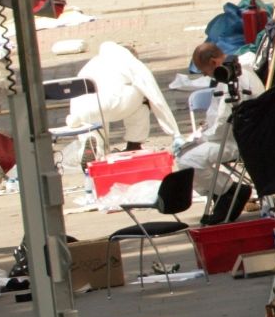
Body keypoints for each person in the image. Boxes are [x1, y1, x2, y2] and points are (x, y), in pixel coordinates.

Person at [63, 42, 181, 163]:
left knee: (93, 121)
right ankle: (134, 144)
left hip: (82, 109)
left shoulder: (91, 64)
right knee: (144, 97)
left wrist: (77, 118)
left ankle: (92, 150)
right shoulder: (130, 61)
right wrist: (175, 133)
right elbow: (155, 94)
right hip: (113, 103)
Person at [177, 41, 264, 202]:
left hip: (236, 139)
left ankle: (228, 191)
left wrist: (203, 138)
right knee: (181, 154)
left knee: (189, 161)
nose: (205, 75)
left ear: (213, 62)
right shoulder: (230, 74)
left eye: (205, 71)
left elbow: (225, 122)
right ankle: (218, 194)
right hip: (230, 134)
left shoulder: (236, 78)